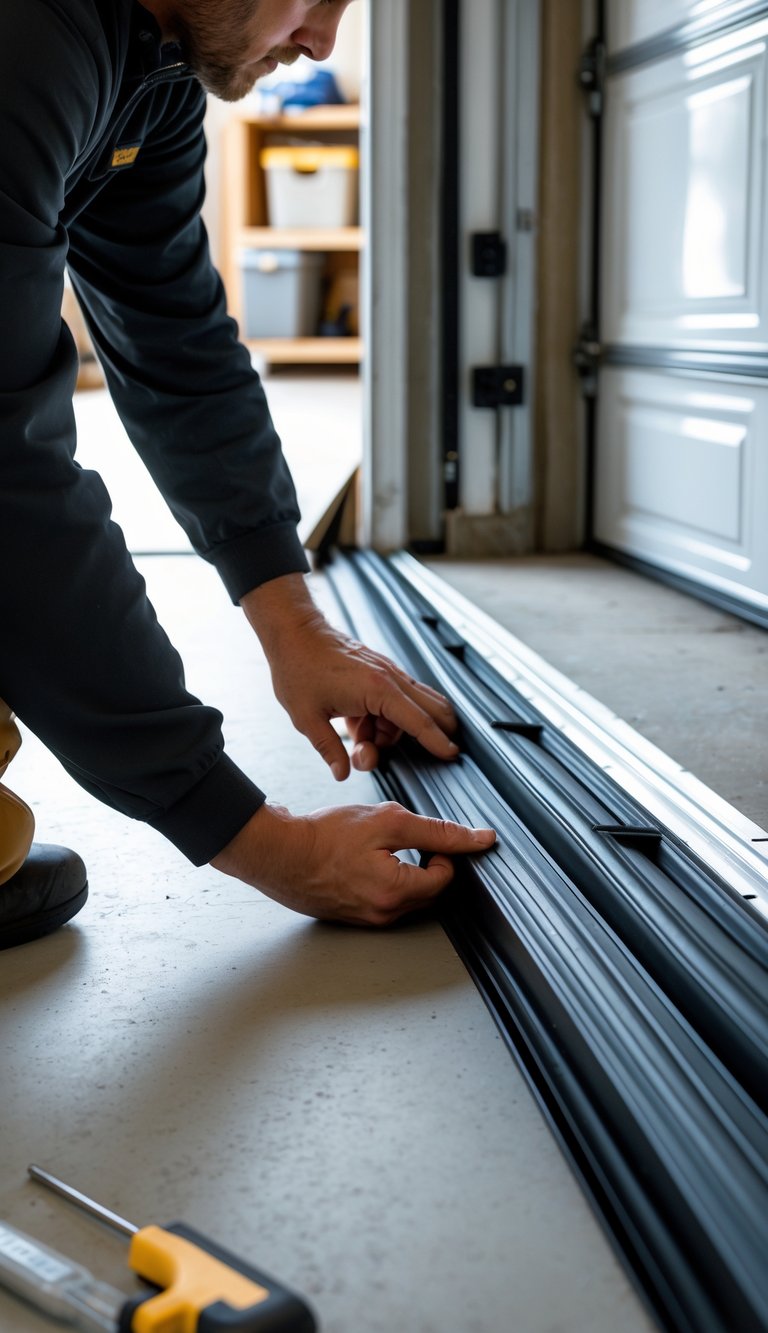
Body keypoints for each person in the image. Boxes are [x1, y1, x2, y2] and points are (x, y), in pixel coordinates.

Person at [0, 0, 495, 950]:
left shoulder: (154, 73)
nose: (323, 41)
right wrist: (266, 843)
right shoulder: (25, 42)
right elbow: (0, 474)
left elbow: (175, 339)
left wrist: (293, 622)